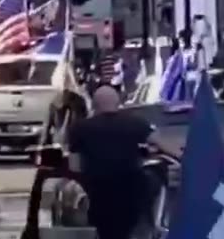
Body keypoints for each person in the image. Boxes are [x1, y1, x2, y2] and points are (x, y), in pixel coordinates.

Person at [66, 86, 182, 239]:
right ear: (118, 102)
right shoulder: (134, 123)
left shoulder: (79, 128)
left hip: (99, 194)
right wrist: (187, 156)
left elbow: (74, 166)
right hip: (130, 192)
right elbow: (163, 145)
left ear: (94, 105)